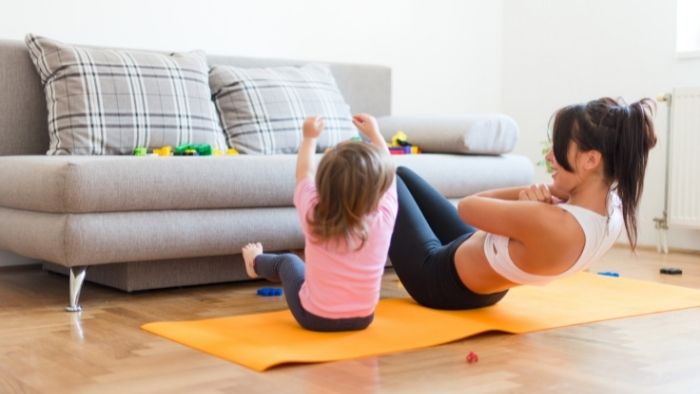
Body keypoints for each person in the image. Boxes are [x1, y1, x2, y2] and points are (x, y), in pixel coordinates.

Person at [388, 97, 657, 310]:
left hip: (437, 278)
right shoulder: (614, 209)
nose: (549, 155)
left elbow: (468, 207)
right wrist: (552, 195)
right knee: (403, 174)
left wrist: (531, 199)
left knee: (386, 177)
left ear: (590, 160)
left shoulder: (553, 221)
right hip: (484, 283)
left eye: (559, 146)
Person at [242, 114, 397, 331]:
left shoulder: (316, 214)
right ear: (379, 185)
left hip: (314, 318)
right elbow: (391, 175)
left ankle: (255, 262)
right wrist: (375, 134)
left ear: (325, 182)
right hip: (363, 318)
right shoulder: (385, 218)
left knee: (289, 262)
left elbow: (304, 173)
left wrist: (309, 138)